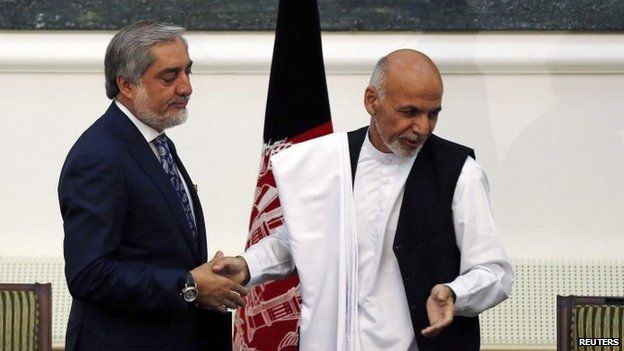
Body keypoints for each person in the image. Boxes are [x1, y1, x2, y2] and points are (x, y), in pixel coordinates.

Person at [214, 49, 514, 351]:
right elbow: (300, 241)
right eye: (409, 112)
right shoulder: (332, 162)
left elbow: (495, 273)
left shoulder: (460, 172)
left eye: (432, 114)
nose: (422, 127)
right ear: (372, 100)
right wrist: (247, 265)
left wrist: (454, 292)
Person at [58, 21, 246, 351]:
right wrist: (188, 285)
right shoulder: (99, 156)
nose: (186, 87)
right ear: (126, 85)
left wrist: (207, 276)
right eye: (169, 76)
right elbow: (89, 274)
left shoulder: (155, 142)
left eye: (188, 72)